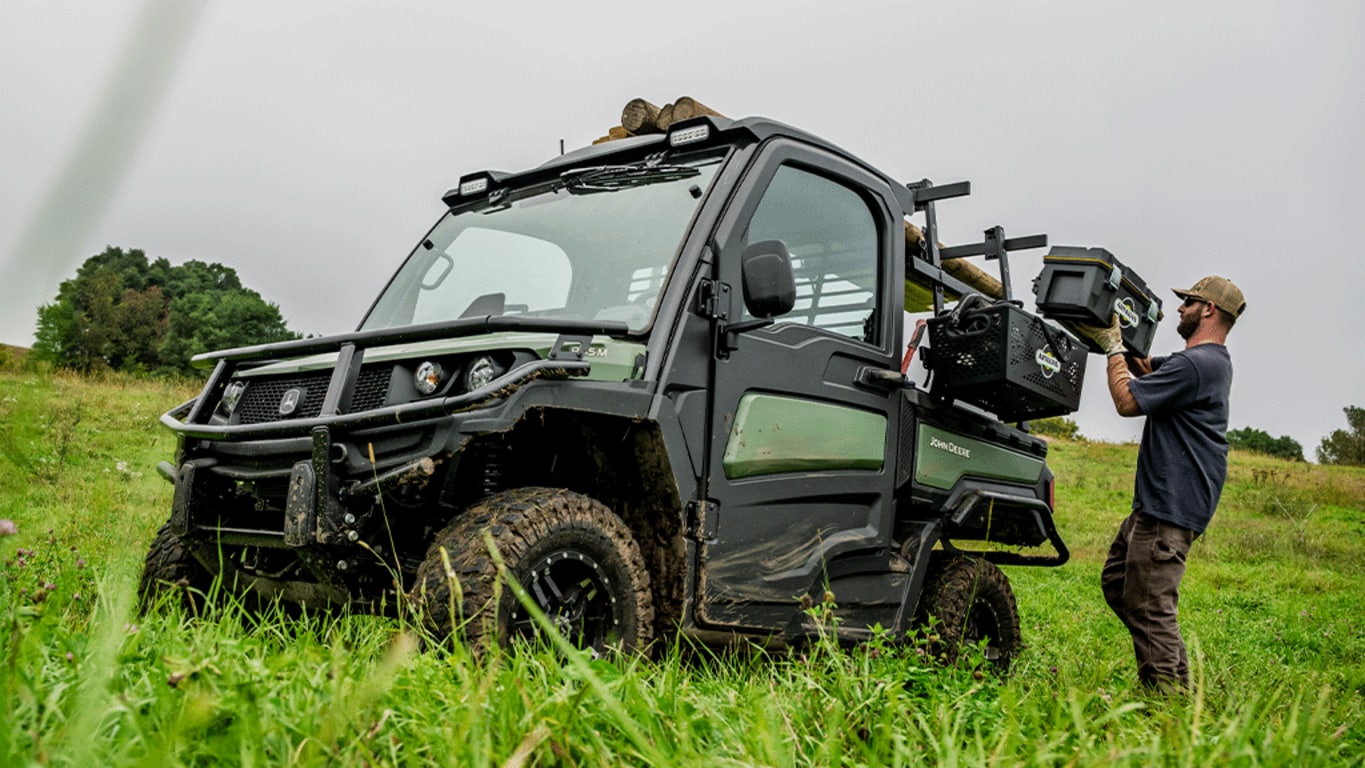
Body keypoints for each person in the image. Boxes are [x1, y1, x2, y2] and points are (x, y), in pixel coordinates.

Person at [1075, 275, 1245, 693]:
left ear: (1208, 310)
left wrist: (1113, 347)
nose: (1181, 308)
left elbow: (1128, 400)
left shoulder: (1198, 364)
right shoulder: (1205, 362)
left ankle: (1167, 704)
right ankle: (1176, 676)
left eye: (1189, 301)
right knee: (1118, 582)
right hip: (1156, 503)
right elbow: (1148, 369)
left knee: (1151, 608)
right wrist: (1123, 338)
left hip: (1169, 507)